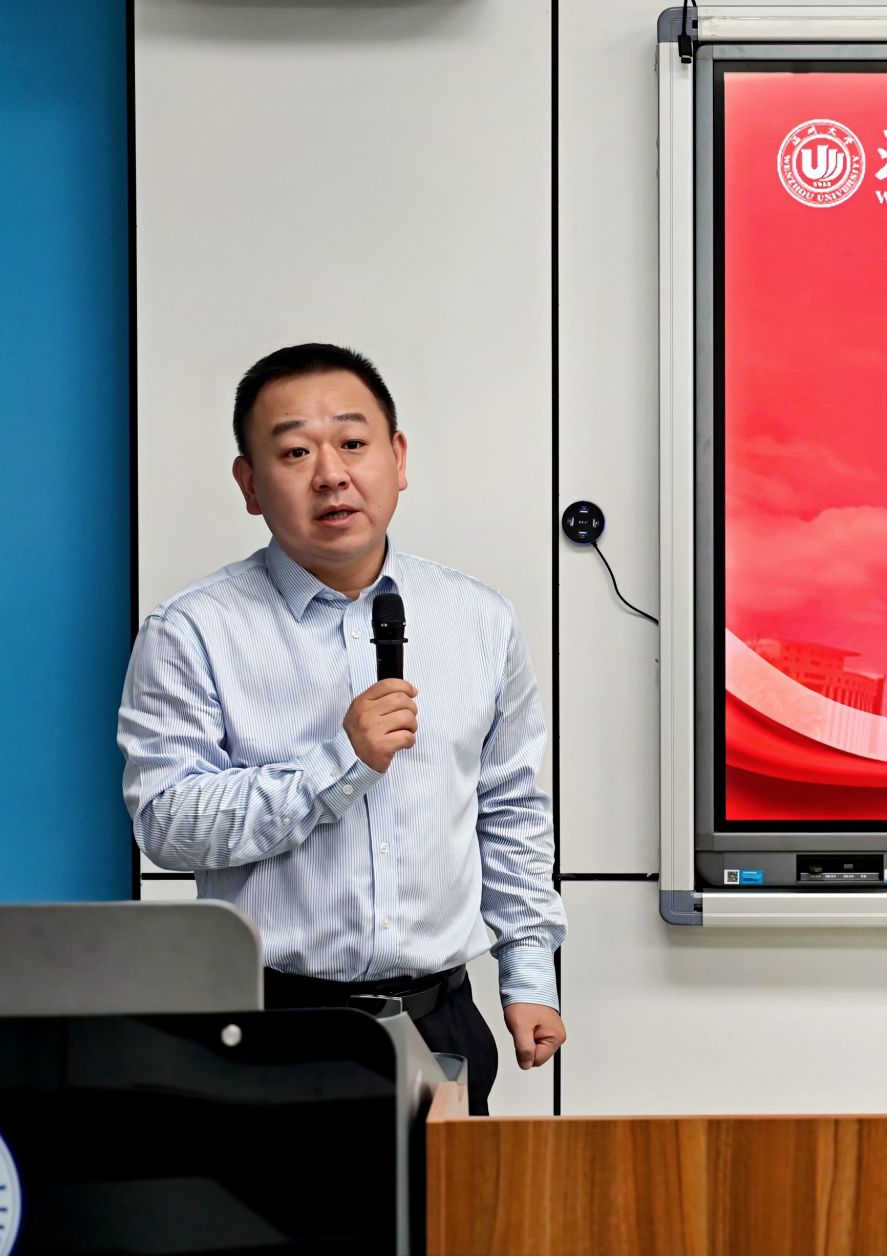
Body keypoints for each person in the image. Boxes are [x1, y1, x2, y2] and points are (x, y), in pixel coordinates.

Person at [117, 343, 565, 1115]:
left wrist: (529, 975)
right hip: (269, 1029)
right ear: (249, 484)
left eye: (353, 443)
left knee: (450, 1201)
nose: (330, 473)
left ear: (398, 458)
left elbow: (511, 808)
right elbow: (167, 824)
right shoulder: (192, 631)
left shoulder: (478, 620)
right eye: (295, 452)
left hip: (442, 1021)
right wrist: (338, 763)